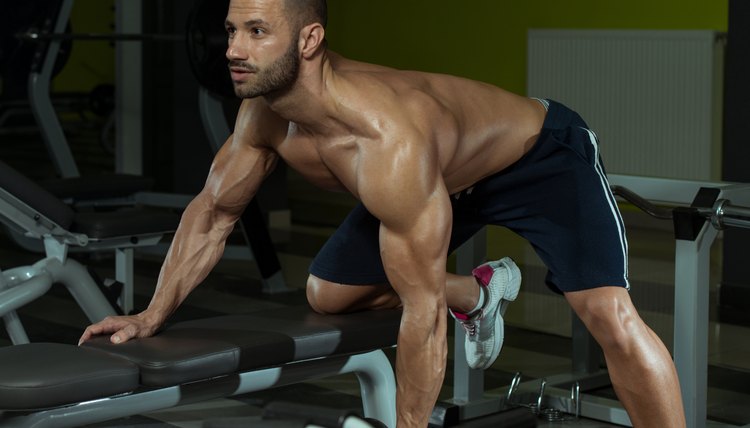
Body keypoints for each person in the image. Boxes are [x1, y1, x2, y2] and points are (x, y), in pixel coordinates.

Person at [79, 0, 687, 426]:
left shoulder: (384, 138)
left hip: (537, 157)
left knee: (607, 314)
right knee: (327, 294)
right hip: (439, 179)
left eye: (257, 32)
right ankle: (480, 294)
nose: (234, 49)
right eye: (232, 30)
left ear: (309, 39)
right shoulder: (262, 115)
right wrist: (150, 315)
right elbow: (212, 214)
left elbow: (421, 314)